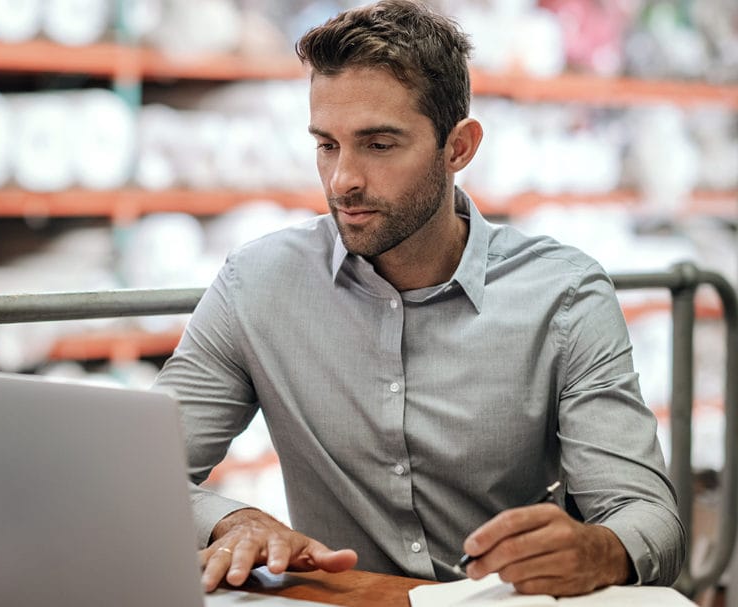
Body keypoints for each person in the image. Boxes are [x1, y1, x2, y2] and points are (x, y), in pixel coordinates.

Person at [153, 0, 685, 598]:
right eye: (326, 144)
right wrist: (231, 519)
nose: (341, 180)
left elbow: (650, 518)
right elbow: (141, 475)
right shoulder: (256, 285)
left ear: (458, 147)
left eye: (378, 144)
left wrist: (600, 549)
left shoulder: (563, 298)